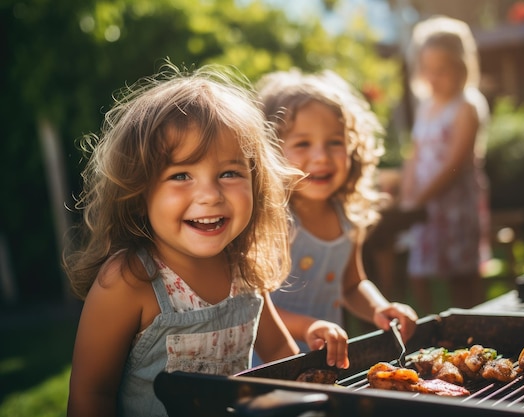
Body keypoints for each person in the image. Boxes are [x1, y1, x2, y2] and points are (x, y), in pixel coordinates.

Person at [63, 63, 340, 417]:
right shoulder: (128, 281)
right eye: (181, 175)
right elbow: (91, 397)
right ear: (138, 190)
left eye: (229, 173)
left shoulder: (245, 267)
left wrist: (312, 343)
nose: (210, 195)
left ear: (255, 182)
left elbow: (281, 360)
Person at [255, 69, 419, 357]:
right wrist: (308, 326)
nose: (321, 156)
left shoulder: (346, 218)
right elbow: (251, 306)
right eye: (303, 143)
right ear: (270, 152)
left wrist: (379, 307)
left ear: (354, 149)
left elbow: (353, 284)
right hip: (271, 365)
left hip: (327, 361)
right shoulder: (274, 221)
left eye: (335, 142)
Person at [399, 16, 491, 315]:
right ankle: (431, 328)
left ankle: (473, 326)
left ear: (461, 67)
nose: (433, 77)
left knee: (460, 275)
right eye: (428, 70)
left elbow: (455, 163)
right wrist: (407, 195)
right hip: (425, 203)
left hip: (454, 205)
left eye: (442, 70)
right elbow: (414, 155)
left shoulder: (467, 105)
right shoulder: (426, 106)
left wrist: (421, 197)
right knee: (420, 269)